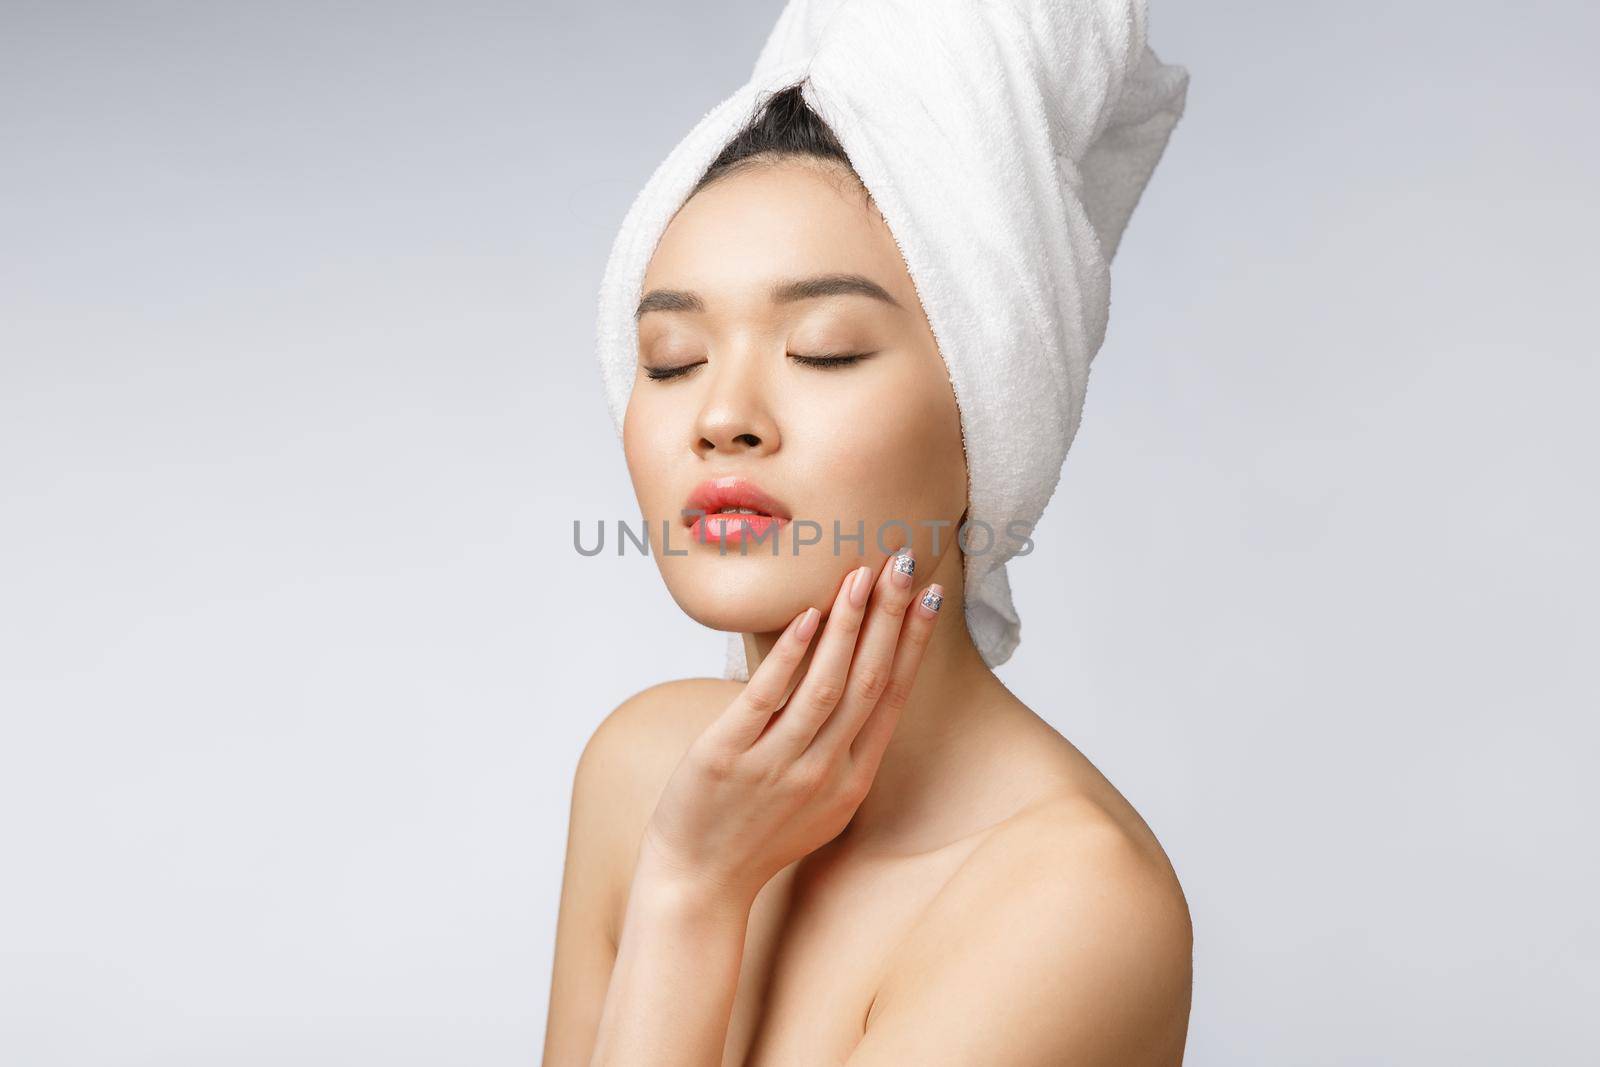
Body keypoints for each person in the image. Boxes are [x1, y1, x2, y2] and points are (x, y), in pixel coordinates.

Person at [542, 77, 1193, 1066]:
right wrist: (688, 884)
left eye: (824, 349)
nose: (721, 417)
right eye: (672, 361)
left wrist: (688, 893)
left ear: (986, 415)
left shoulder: (1073, 897)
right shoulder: (640, 772)